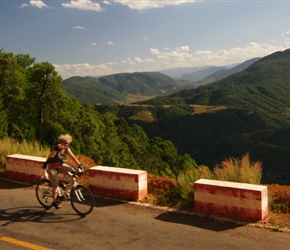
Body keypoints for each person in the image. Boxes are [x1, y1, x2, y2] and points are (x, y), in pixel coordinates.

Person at [44, 134, 84, 209]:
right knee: (55, 185)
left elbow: (73, 157)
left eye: (68, 143)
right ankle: (54, 201)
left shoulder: (66, 149)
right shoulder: (57, 148)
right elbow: (51, 156)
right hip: (51, 166)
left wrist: (80, 165)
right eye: (66, 143)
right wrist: (56, 149)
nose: (67, 145)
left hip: (59, 165)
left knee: (71, 170)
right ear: (61, 142)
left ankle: (63, 182)